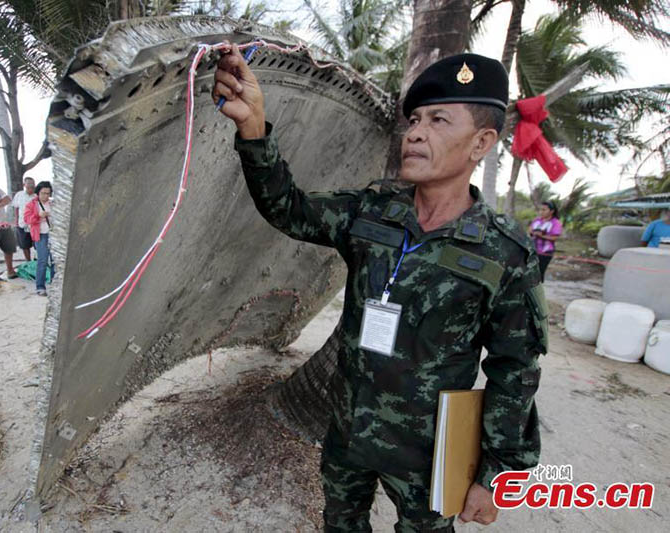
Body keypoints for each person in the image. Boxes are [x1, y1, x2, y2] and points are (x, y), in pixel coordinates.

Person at [214, 47, 548, 531]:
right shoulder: (373, 208)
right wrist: (254, 127)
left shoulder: (505, 255)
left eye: (438, 120)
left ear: (481, 143)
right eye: (414, 119)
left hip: (431, 454)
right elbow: (290, 208)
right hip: (350, 430)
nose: (415, 132)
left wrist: (495, 473)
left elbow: (514, 372)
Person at [24, 181, 55, 296]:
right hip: (40, 235)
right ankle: (40, 287)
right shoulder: (32, 204)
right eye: (43, 193)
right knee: (42, 261)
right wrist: (38, 215)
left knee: (55, 261)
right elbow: (27, 220)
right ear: (38, 193)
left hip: (53, 235)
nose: (46, 196)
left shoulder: (53, 204)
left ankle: (53, 283)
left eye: (48, 193)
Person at [527, 201, 562, 281]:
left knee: (539, 273)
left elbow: (554, 238)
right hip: (532, 250)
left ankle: (538, 291)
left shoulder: (555, 223)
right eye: (540, 210)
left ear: (552, 211)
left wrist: (541, 236)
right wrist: (532, 233)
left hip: (545, 253)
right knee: (528, 272)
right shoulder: (537, 220)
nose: (541, 212)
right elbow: (530, 231)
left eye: (544, 210)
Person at [12, 177, 37, 261]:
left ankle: (37, 260)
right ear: (24, 185)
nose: (31, 186)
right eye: (29, 184)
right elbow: (16, 208)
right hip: (22, 224)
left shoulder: (37, 196)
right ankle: (28, 261)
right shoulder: (19, 195)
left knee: (37, 244)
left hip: (35, 225)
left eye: (33, 185)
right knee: (24, 245)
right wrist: (16, 221)